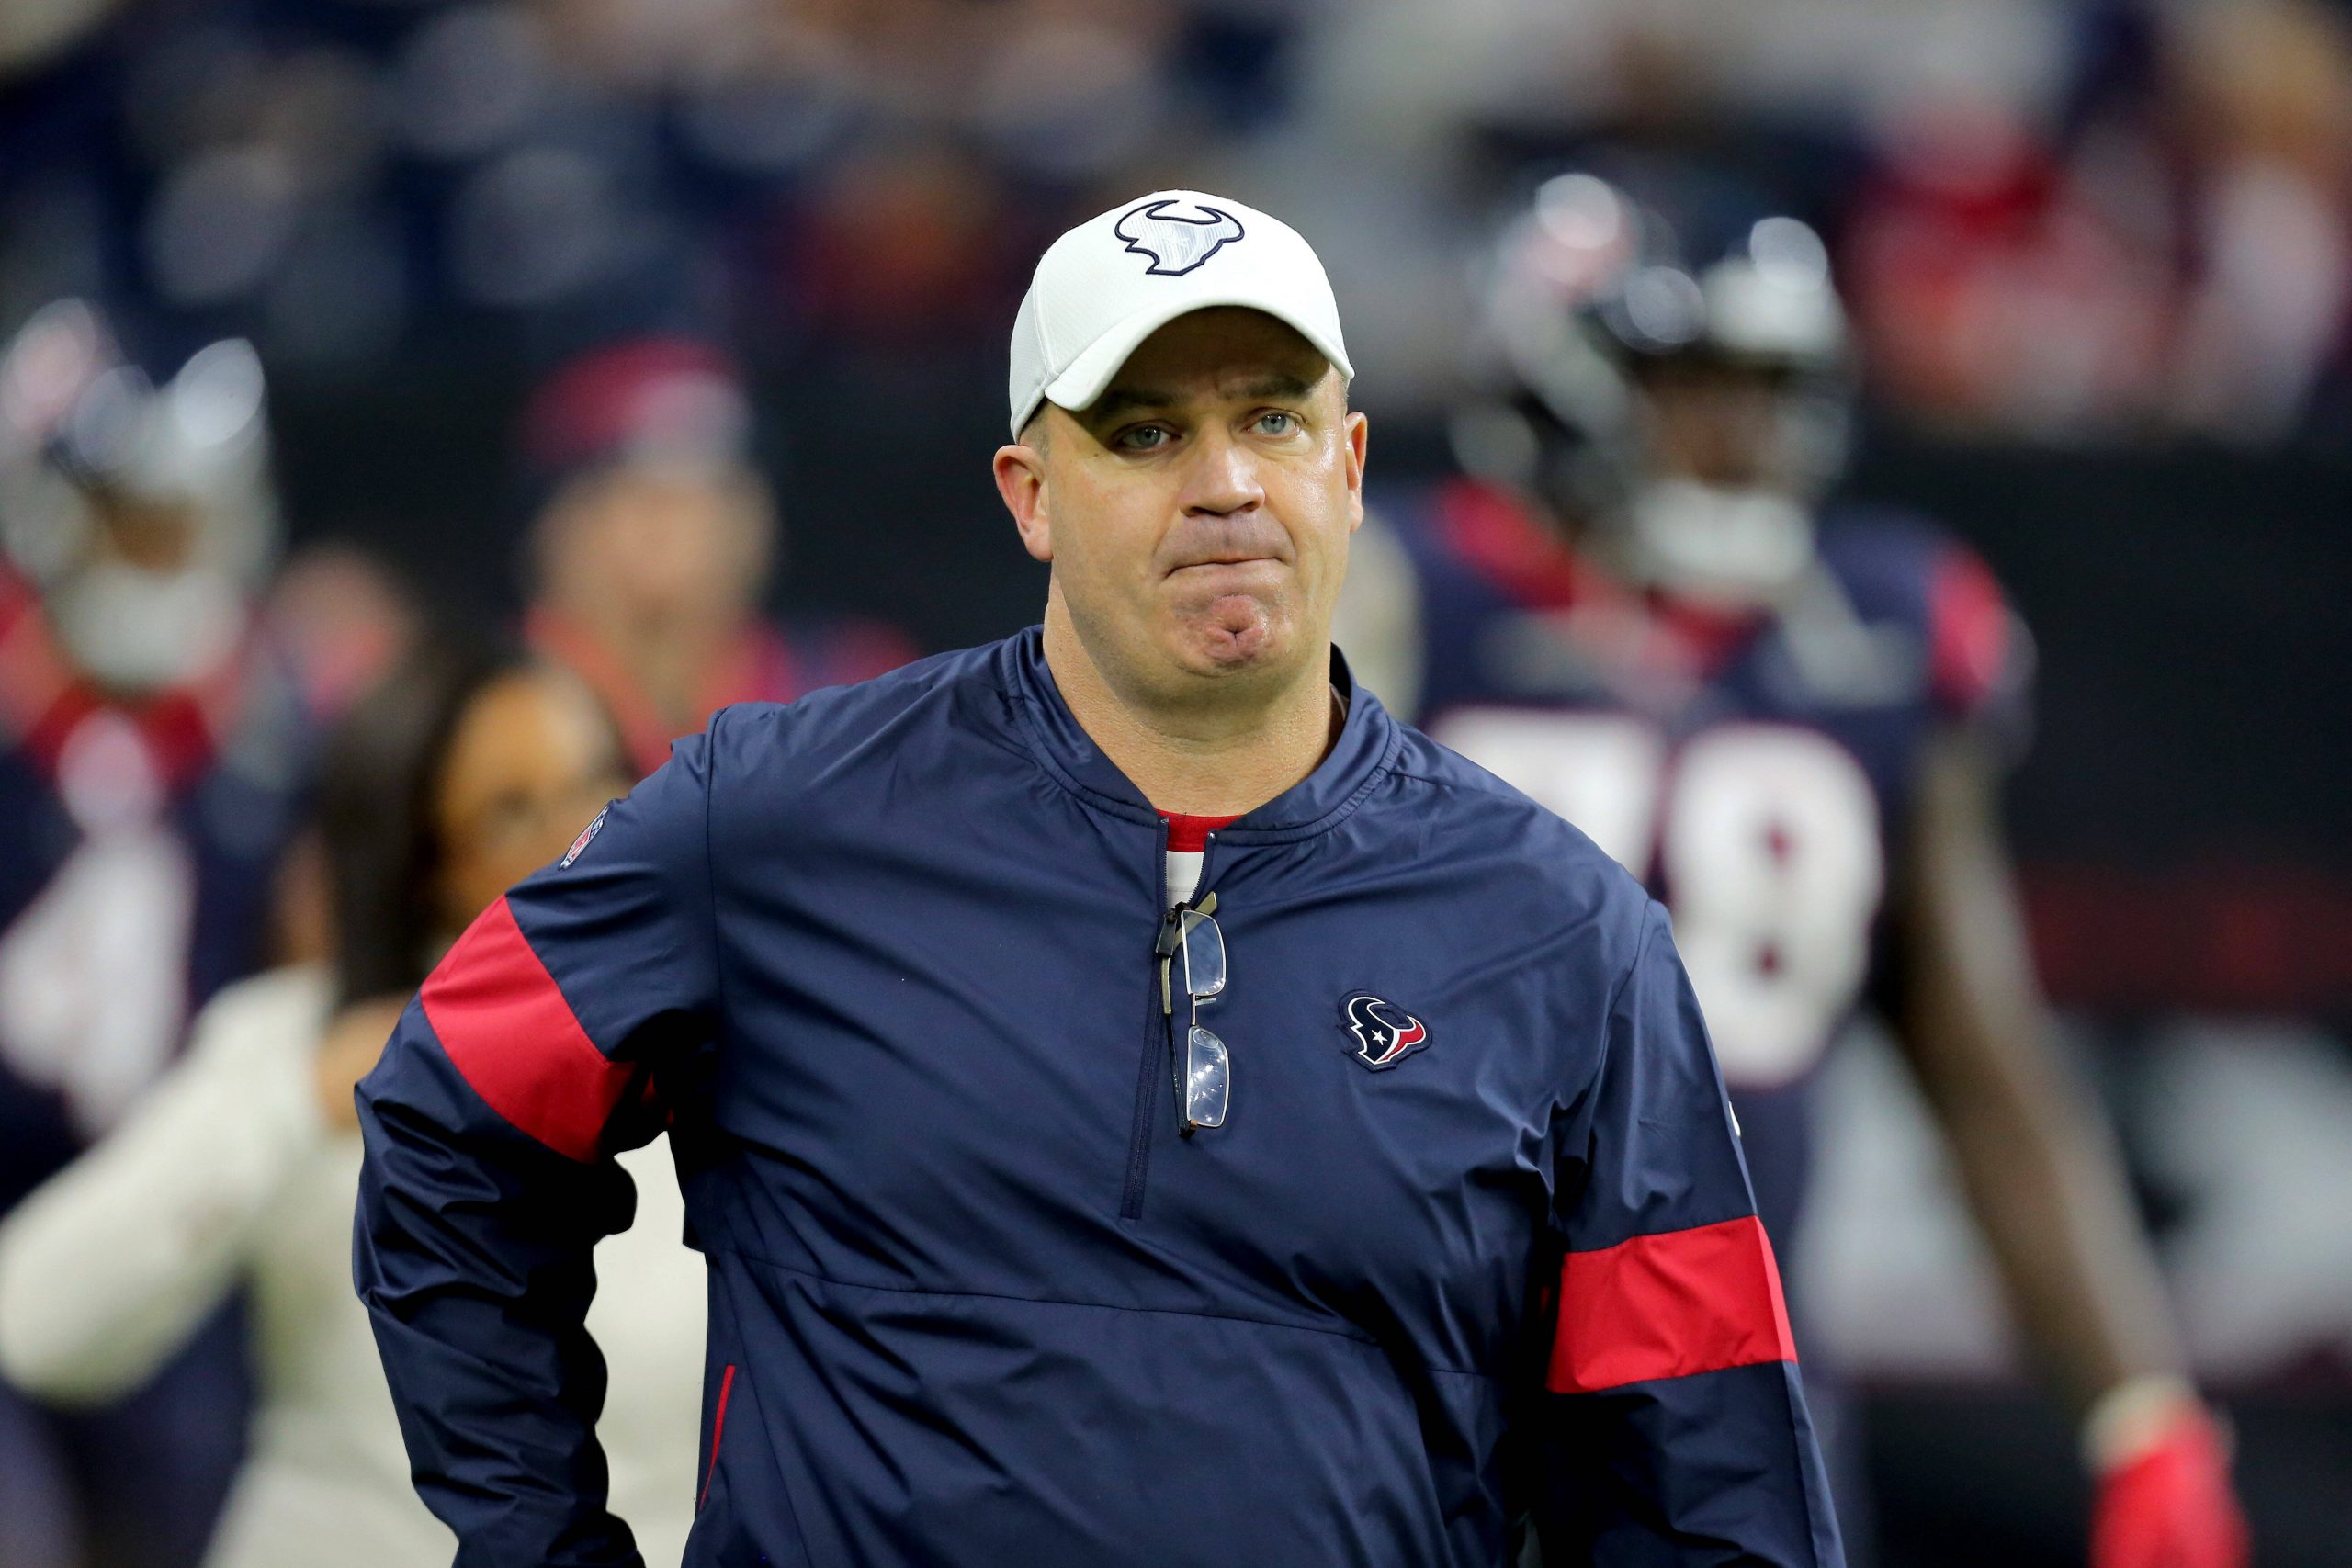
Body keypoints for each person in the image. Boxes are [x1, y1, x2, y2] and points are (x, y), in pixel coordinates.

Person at [354, 189, 1841, 1567]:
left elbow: (1705, 1469)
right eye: (1141, 434)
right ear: (1029, 491)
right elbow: (447, 1116)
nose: (1223, 485)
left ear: (1352, 463)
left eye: (1272, 417)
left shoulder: (1562, 931)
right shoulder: (771, 822)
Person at [1334, 171, 2249, 1567]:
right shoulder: (1390, 597)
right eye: (1700, 382)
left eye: (1776, 386)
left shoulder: (1872, 633)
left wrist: (2142, 1410)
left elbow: (1982, 1053)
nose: (1745, 434)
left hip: (1732, 1408)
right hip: (1412, 1393)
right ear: (1554, 373)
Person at [0, 642, 708, 1568]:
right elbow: (38, 1324)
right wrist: (291, 1105)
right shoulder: (298, 1044)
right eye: (508, 812)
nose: (580, 835)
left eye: (599, 781)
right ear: (419, 866)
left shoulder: (721, 1049)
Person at [0, 300, 309, 1568]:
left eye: (180, 524)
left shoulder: (277, 727)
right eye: (134, 523)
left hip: (188, 1224)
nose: (159, 556)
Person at [520, 335, 915, 778]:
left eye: (715, 492)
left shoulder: (852, 690)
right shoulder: (489, 704)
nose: (674, 523)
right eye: (624, 490)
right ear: (555, 525)